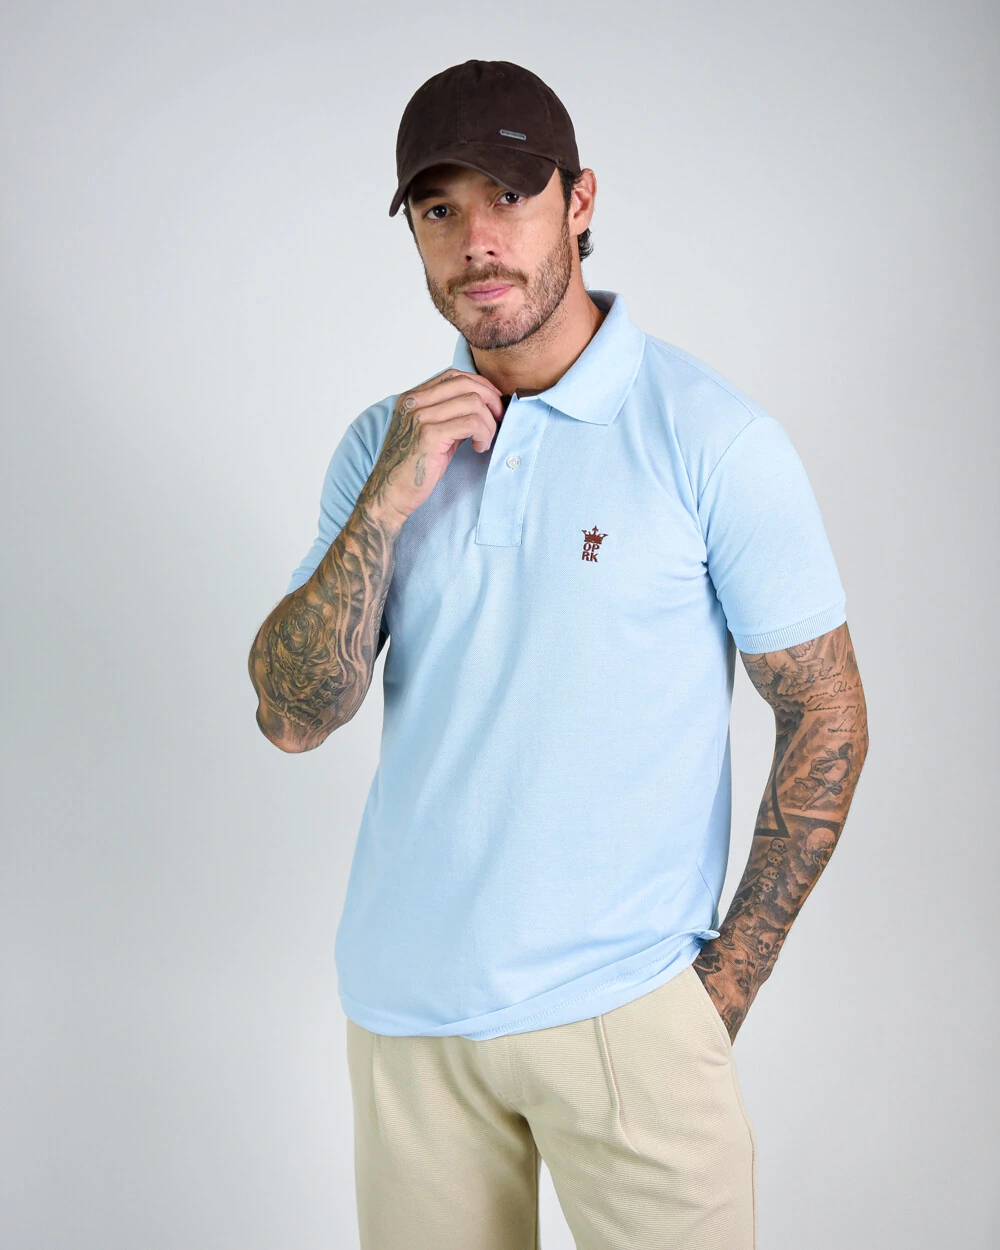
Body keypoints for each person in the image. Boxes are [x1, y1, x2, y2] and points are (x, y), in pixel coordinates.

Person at [247, 58, 869, 1250]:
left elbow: (827, 711)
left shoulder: (712, 437)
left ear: (579, 201)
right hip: (408, 1021)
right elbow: (291, 715)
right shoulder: (383, 443)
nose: (476, 240)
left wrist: (718, 990)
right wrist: (386, 501)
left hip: (626, 1015)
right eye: (439, 208)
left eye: (510, 194)